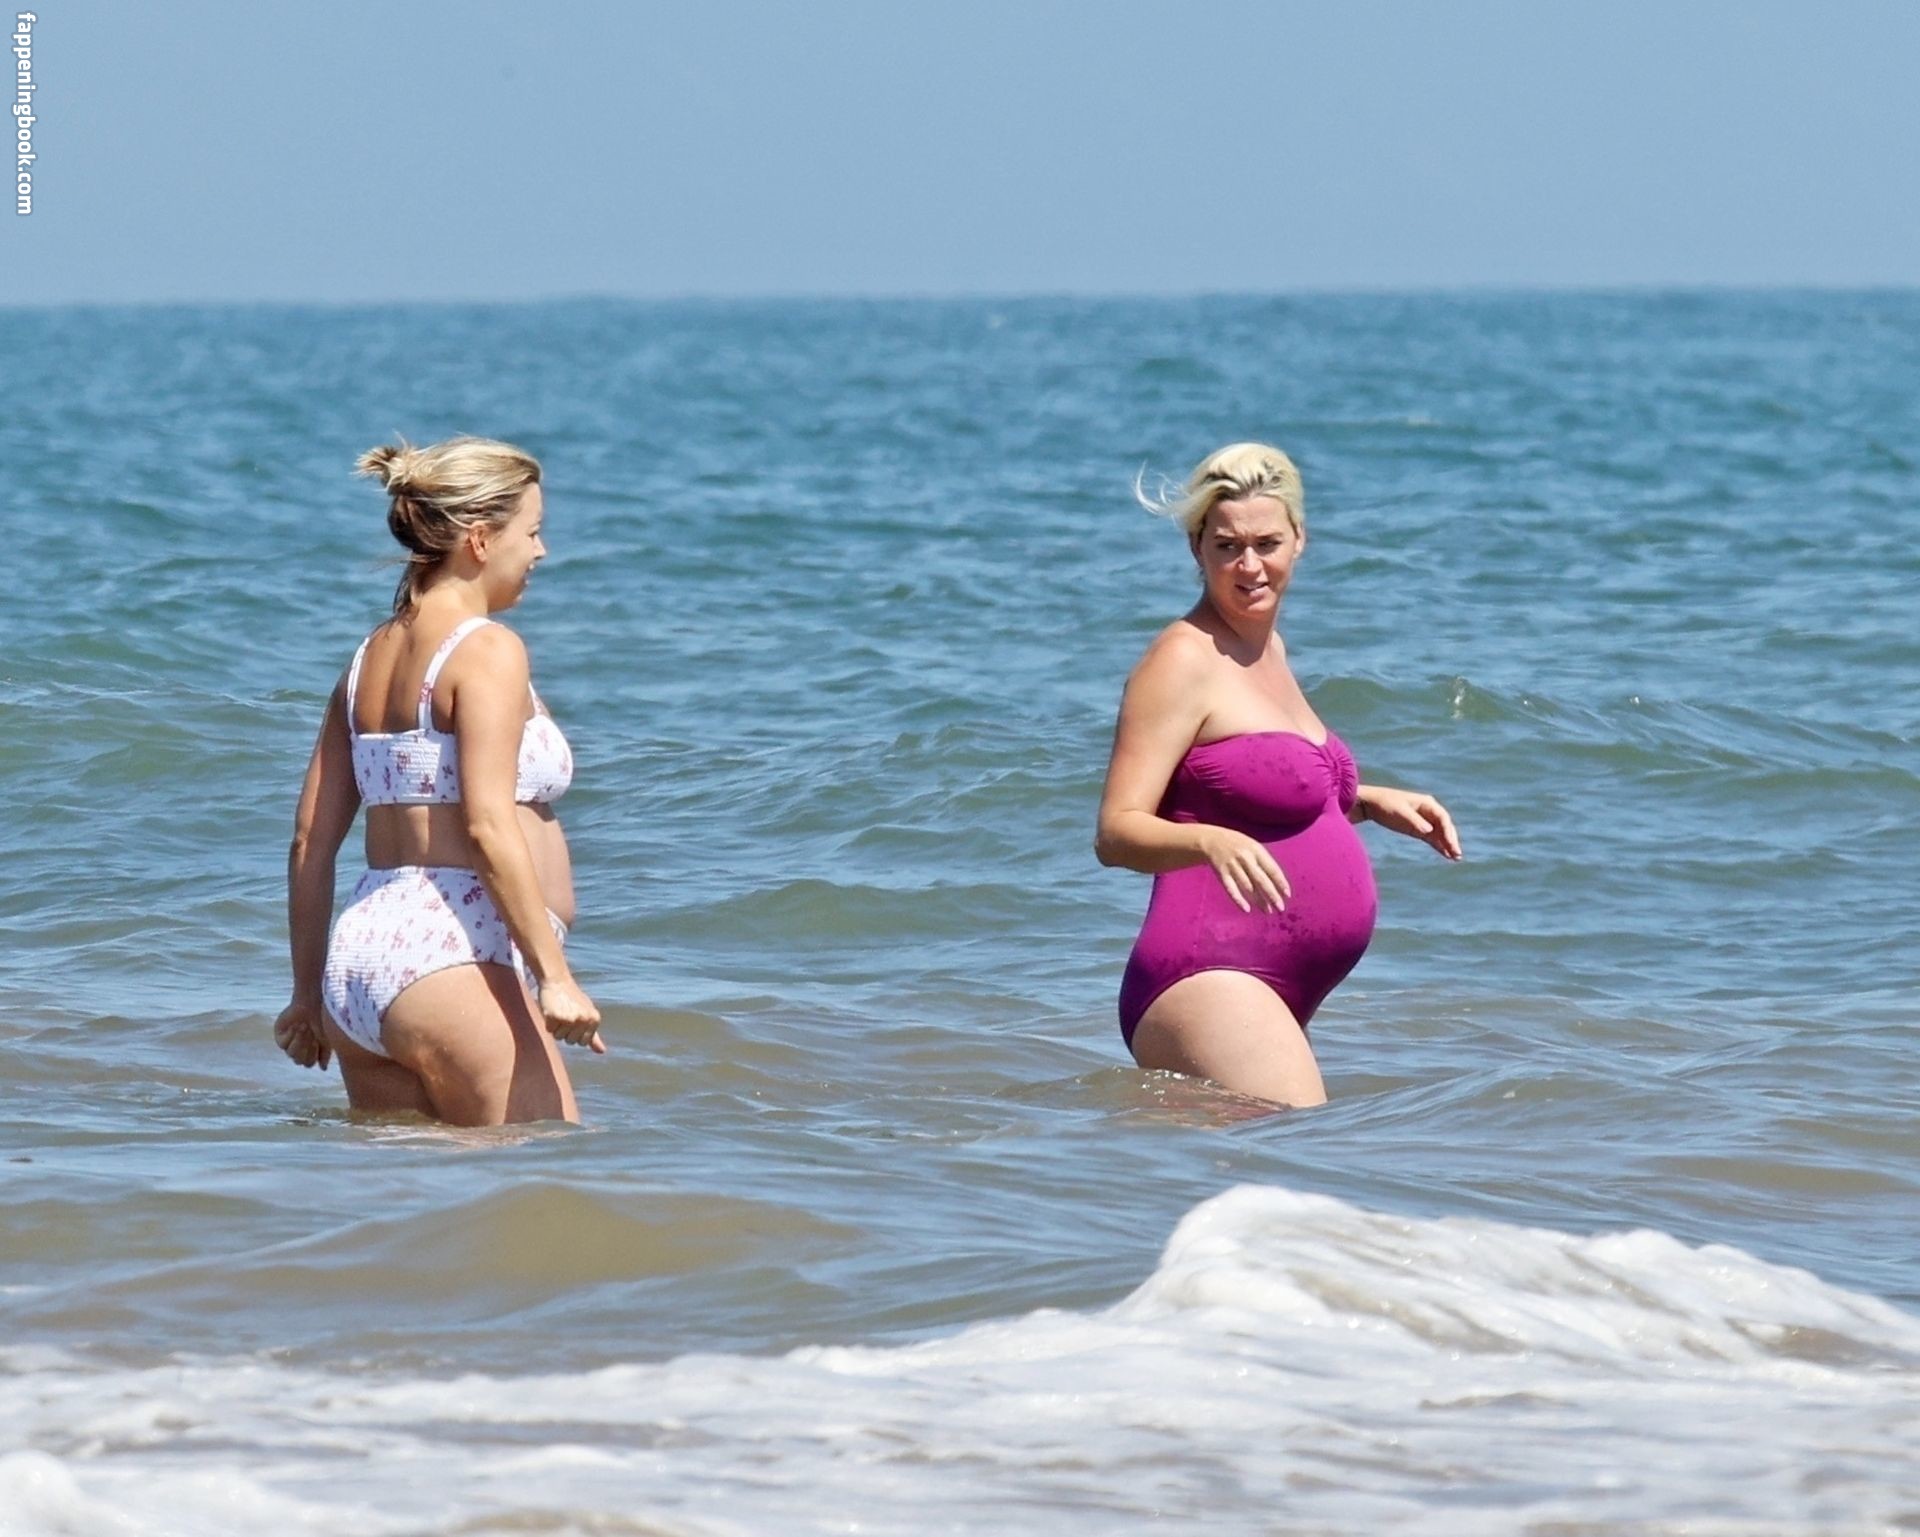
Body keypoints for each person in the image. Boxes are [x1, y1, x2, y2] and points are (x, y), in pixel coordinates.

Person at [1095, 443, 1460, 1107]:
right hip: (1209, 967)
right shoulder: (1181, 659)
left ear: (1299, 539)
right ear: (1196, 548)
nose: (1249, 566)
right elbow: (1116, 832)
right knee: (1306, 1151)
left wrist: (1366, 801)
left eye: (1267, 543)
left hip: (1272, 979)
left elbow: (1253, 791)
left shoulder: (1269, 649)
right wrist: (1208, 842)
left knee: (1267, 1167)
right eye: (1227, 546)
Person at [272, 436, 603, 1125]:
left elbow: (309, 842)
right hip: (454, 953)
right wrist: (555, 978)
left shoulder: (366, 660)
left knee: (416, 1189)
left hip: (360, 960)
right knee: (545, 1167)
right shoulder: (487, 650)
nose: (540, 551)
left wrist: (306, 998)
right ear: (479, 539)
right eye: (532, 532)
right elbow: (487, 825)